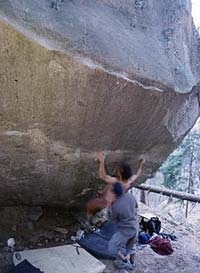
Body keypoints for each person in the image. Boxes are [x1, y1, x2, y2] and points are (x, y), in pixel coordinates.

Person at [86, 151, 145, 222]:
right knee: (110, 186)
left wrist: (102, 161)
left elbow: (103, 176)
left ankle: (89, 220)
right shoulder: (129, 181)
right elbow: (137, 174)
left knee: (90, 205)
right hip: (115, 201)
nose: (117, 171)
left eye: (118, 170)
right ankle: (101, 194)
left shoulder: (116, 181)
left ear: (120, 174)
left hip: (107, 201)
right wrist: (141, 164)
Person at [108, 181, 139, 270]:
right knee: (131, 246)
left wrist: (109, 210)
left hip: (125, 230)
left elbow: (113, 220)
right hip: (135, 226)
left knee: (112, 247)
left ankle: (125, 261)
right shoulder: (130, 196)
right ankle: (132, 263)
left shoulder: (116, 205)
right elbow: (136, 208)